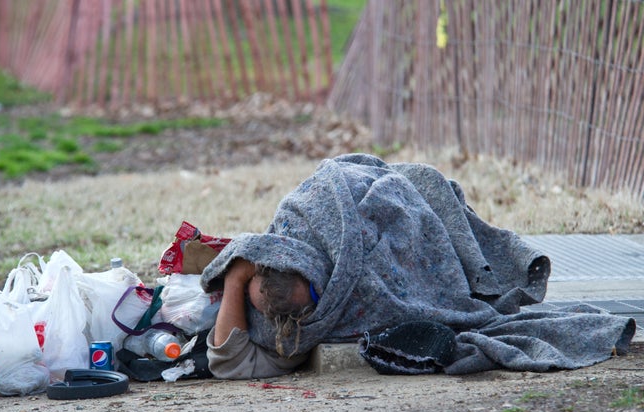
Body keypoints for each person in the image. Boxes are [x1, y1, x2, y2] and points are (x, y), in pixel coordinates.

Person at [201, 153, 636, 379]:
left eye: (314, 294)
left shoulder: (301, 218)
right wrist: (238, 274)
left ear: (291, 258)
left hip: (390, 216)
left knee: (416, 186)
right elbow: (228, 363)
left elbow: (358, 182)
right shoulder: (284, 328)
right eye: (302, 311)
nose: (312, 309)